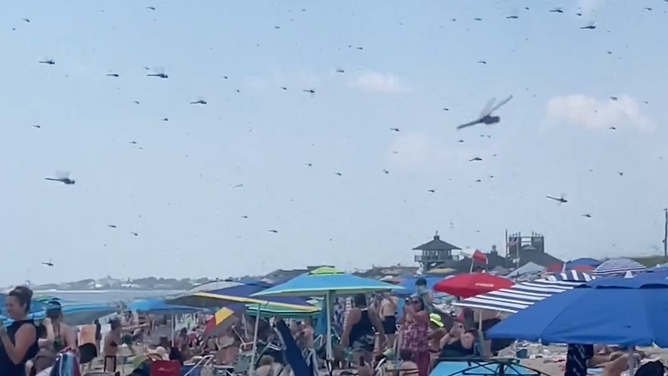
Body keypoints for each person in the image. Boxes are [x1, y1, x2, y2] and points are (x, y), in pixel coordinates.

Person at [0, 286, 40, 376]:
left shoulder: (27, 328)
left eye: (11, 305)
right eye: (6, 305)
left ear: (23, 305)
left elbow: (16, 359)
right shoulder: (11, 327)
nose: (8, 309)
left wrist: (3, 335)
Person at [341, 293, 386, 366]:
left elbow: (347, 328)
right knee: (368, 363)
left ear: (355, 301)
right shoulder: (371, 311)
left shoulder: (354, 312)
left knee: (360, 364)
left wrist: (343, 341)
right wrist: (382, 338)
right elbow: (379, 327)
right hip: (369, 340)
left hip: (357, 341)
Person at [399, 295, 430, 376]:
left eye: (416, 302)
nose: (413, 304)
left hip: (420, 347)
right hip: (408, 346)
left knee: (420, 370)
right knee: (408, 370)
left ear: (421, 304)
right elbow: (401, 321)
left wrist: (409, 310)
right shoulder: (409, 313)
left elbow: (418, 318)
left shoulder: (424, 313)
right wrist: (404, 312)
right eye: (412, 302)